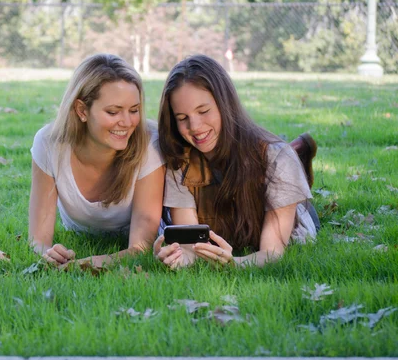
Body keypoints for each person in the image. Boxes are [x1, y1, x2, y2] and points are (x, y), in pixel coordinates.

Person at [153, 54, 318, 269]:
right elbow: (191, 247)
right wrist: (181, 258)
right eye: (182, 118)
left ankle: (297, 157)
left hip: (281, 215)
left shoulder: (275, 158)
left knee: (282, 158)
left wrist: (235, 264)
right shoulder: (179, 159)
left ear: (225, 104)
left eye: (203, 111)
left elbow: (271, 252)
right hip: (223, 218)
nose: (194, 126)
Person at [29, 53, 165, 267]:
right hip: (79, 231)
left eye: (134, 110)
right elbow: (38, 240)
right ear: (82, 110)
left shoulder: (150, 142)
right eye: (113, 112)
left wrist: (94, 262)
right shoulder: (49, 143)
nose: (128, 122)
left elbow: (140, 248)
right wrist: (48, 253)